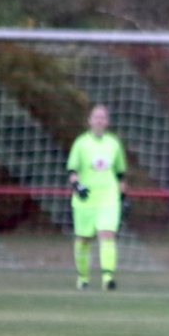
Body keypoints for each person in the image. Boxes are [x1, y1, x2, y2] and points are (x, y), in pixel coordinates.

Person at [67, 104, 128, 291]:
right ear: (90, 120)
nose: (100, 120)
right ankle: (83, 278)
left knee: (107, 234)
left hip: (108, 197)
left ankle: (108, 278)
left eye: (103, 117)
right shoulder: (81, 143)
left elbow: (120, 173)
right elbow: (72, 171)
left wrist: (123, 195)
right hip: (85, 200)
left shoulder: (114, 144)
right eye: (96, 117)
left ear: (107, 121)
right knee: (84, 239)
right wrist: (77, 185)